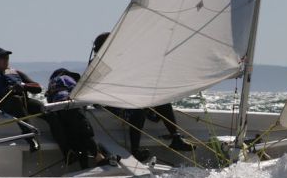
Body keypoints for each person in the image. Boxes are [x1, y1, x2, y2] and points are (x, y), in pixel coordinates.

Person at [89, 32, 193, 161]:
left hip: (129, 99)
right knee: (137, 112)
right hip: (112, 104)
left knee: (162, 102)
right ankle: (135, 151)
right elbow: (94, 90)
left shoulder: (120, 61)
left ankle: (176, 138)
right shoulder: (97, 65)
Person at [0, 47, 44, 152]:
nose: (6, 59)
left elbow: (38, 88)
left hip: (24, 103)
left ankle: (67, 147)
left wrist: (23, 86)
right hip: (7, 108)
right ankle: (30, 137)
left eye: (7, 57)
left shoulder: (17, 73)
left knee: (44, 108)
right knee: (16, 100)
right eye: (2, 57)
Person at [45, 68, 109, 168]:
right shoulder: (65, 78)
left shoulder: (51, 85)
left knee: (76, 139)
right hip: (70, 106)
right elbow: (79, 92)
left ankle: (84, 166)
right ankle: (99, 158)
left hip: (57, 111)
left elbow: (50, 100)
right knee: (84, 133)